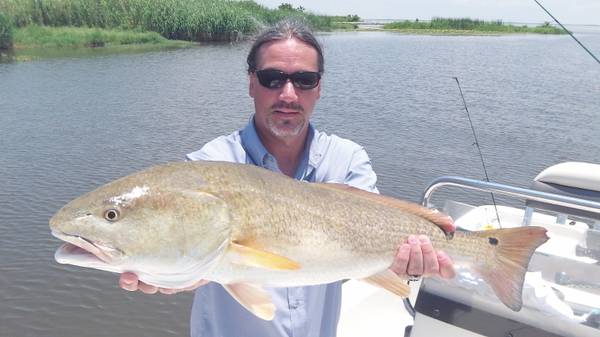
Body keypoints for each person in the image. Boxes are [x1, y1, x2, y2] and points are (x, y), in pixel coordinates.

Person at [119, 18, 455, 337]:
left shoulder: (346, 158)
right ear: (251, 82)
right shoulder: (210, 166)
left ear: (319, 88)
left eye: (304, 80)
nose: (289, 95)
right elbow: (194, 259)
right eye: (273, 78)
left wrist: (409, 263)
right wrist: (175, 276)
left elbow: (378, 239)